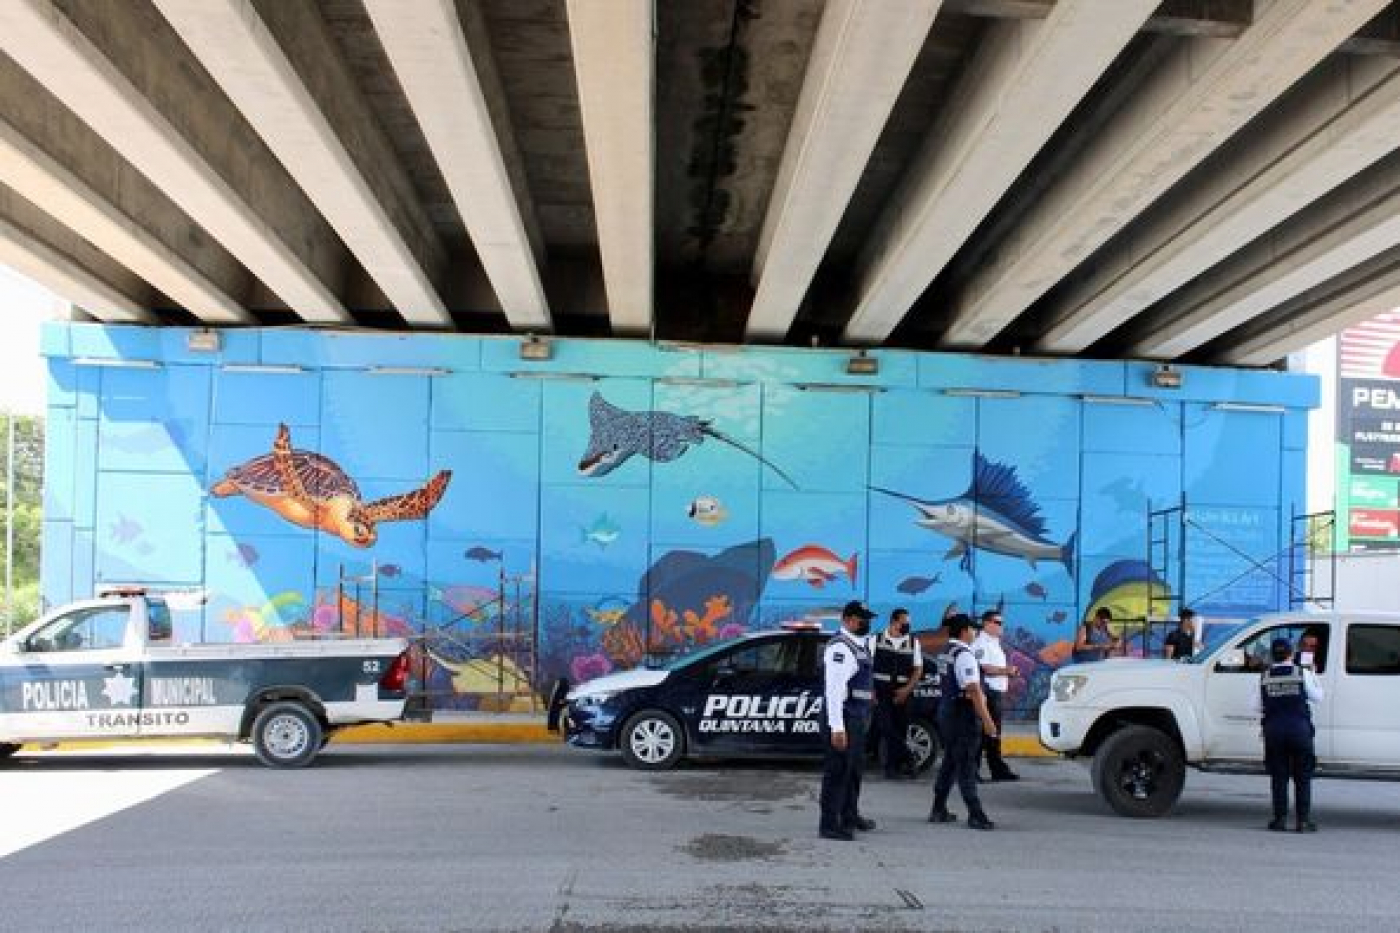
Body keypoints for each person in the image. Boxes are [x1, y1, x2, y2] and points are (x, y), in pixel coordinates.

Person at [928, 613, 998, 831]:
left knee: (950, 761)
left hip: (947, 711)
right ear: (964, 631)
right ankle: (976, 814)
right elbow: (974, 690)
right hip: (962, 715)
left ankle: (938, 808)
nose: (975, 632)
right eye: (973, 629)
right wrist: (988, 721)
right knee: (966, 764)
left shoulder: (946, 651)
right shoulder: (964, 655)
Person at [819, 600, 878, 841]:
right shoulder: (840, 648)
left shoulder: (858, 645)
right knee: (837, 772)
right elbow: (834, 690)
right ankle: (830, 824)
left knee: (853, 771)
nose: (866, 623)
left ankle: (850, 815)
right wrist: (837, 728)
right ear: (848, 619)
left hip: (857, 716)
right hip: (843, 718)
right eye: (862, 619)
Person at [1252, 637, 1324, 833]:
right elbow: (1319, 697)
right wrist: (1314, 674)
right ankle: (1303, 821)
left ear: (1272, 655)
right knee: (1302, 777)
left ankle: (1280, 820)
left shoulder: (1264, 676)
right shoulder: (1302, 673)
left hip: (1274, 732)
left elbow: (1255, 706)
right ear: (1291, 654)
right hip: (1299, 732)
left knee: (1279, 777)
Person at [869, 607, 923, 779]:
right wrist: (871, 691)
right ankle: (909, 757)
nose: (908, 626)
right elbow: (866, 668)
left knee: (900, 729)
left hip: (903, 693)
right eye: (905, 622)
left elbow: (918, 669)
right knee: (886, 728)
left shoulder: (913, 642)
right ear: (894, 622)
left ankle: (893, 768)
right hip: (881, 691)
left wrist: (907, 690)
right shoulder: (875, 640)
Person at [972, 610, 1020, 782]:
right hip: (988, 692)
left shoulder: (994, 642)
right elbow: (984, 668)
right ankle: (973, 771)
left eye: (1001, 622)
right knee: (982, 733)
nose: (1001, 626)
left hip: (996, 693)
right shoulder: (981, 643)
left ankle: (998, 769)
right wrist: (1006, 671)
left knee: (993, 734)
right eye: (997, 622)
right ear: (987, 623)